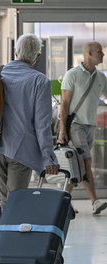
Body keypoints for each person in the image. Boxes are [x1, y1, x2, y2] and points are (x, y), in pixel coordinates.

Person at [0, 34, 59, 209]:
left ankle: (4, 235)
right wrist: (48, 157)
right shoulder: (40, 81)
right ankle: (10, 235)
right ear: (37, 56)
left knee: (4, 201)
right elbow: (42, 124)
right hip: (20, 149)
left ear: (15, 51)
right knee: (16, 202)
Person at [58, 42, 107, 215]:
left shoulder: (101, 77)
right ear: (89, 54)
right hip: (76, 125)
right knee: (86, 161)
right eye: (99, 52)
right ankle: (94, 201)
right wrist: (63, 130)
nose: (102, 55)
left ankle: (62, 201)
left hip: (91, 125)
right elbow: (64, 104)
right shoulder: (72, 75)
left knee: (78, 165)